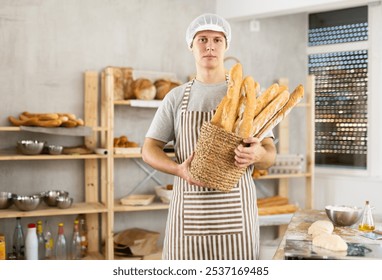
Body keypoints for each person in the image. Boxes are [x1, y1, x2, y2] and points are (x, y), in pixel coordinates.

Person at [142, 13, 276, 260]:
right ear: (191, 46)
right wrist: (178, 170)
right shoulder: (175, 97)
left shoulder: (248, 96)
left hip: (236, 216)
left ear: (226, 46)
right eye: (202, 39)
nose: (210, 46)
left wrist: (258, 153)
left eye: (217, 39)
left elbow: (269, 153)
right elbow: (148, 149)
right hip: (190, 214)